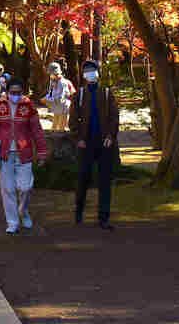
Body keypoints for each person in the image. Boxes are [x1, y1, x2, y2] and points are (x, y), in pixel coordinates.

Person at [0, 75, 48, 234]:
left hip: (24, 152)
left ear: (22, 92)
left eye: (19, 92)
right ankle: (12, 222)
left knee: (25, 187)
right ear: (7, 92)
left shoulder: (28, 106)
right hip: (5, 153)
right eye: (13, 92)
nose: (15, 95)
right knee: (8, 189)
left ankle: (23, 211)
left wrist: (41, 152)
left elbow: (37, 130)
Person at [70, 59, 121, 231]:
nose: (90, 73)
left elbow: (114, 116)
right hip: (86, 143)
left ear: (98, 72)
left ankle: (104, 218)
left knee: (105, 181)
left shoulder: (107, 93)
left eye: (93, 70)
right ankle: (78, 212)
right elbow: (73, 120)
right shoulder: (79, 94)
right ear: (83, 74)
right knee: (83, 178)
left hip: (104, 142)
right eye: (87, 70)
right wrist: (78, 138)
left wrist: (110, 136)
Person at [43, 61, 74, 133]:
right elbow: (51, 93)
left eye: (52, 74)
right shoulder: (53, 82)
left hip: (63, 108)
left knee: (61, 129)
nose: (51, 76)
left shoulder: (64, 83)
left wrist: (48, 100)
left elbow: (61, 97)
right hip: (57, 108)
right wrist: (47, 99)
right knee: (54, 128)